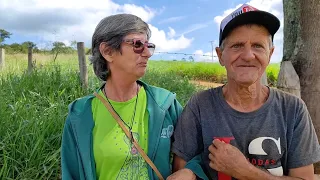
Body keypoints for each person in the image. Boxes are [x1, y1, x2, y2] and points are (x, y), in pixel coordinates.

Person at [168, 4, 320, 180]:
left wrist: (244, 171)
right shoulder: (200, 106)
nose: (248, 55)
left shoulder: (292, 109)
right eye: (237, 46)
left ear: (270, 54)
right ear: (220, 55)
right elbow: (182, 172)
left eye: (257, 46)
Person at [61, 14, 183, 180]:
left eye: (148, 45)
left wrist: (189, 171)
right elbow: (71, 173)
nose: (147, 53)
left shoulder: (165, 104)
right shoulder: (79, 115)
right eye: (137, 44)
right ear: (108, 51)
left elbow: (194, 154)